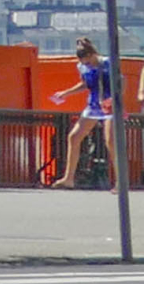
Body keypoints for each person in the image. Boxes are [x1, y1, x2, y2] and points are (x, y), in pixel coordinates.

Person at [49, 38, 118, 189]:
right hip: (93, 104)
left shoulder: (107, 63)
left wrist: (114, 99)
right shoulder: (82, 67)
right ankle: (68, 178)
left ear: (93, 54)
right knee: (74, 137)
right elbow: (85, 84)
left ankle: (120, 181)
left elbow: (121, 81)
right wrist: (66, 93)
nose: (87, 65)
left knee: (111, 141)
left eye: (88, 61)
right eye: (84, 63)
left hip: (109, 104)